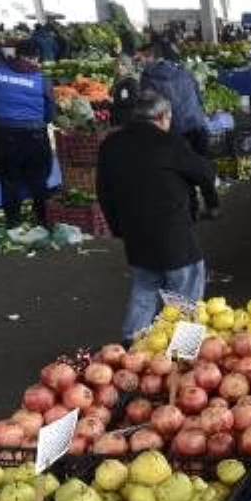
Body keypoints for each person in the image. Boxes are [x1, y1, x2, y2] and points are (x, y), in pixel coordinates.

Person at [97, 91, 217, 345]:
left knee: (145, 287)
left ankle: (132, 345)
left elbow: (104, 192)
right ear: (163, 117)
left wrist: (119, 228)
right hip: (173, 233)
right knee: (186, 291)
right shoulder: (169, 143)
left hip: (135, 233)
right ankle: (183, 351)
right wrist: (211, 203)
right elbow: (204, 173)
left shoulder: (110, 144)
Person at [138, 46, 216, 218]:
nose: (140, 62)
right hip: (196, 123)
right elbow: (199, 95)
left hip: (174, 129)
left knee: (182, 171)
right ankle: (213, 206)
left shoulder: (148, 78)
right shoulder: (184, 71)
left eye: (141, 58)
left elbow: (149, 107)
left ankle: (192, 210)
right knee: (202, 165)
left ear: (150, 57)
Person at [0, 39, 54, 228]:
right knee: (39, 178)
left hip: (4, 134)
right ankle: (42, 218)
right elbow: (50, 115)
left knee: (9, 179)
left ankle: (13, 220)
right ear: (34, 57)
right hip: (34, 135)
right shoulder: (42, 80)